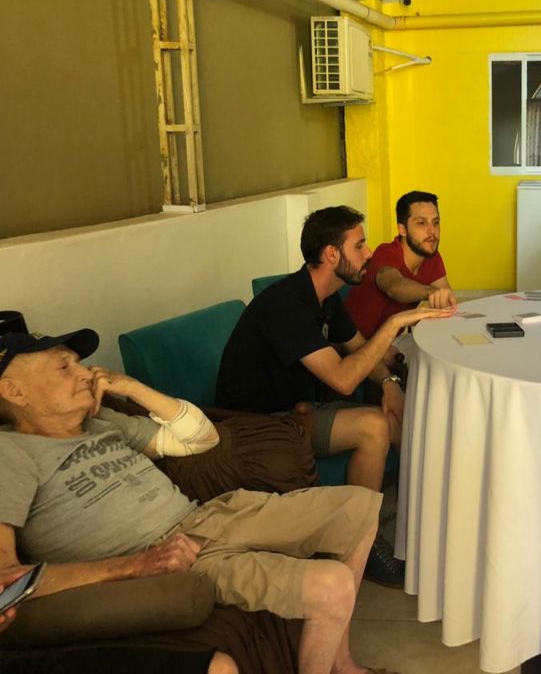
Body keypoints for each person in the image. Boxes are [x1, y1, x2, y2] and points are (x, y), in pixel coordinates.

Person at [0, 329, 392, 674]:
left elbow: (202, 437)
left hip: (210, 514)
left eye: (78, 363)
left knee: (359, 507)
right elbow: (7, 579)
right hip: (172, 550)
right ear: (14, 391)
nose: (86, 372)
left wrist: (132, 388)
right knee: (332, 586)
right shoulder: (10, 453)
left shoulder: (102, 422)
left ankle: (341, 664)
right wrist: (135, 565)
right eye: (64, 366)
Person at [215, 205, 453, 587]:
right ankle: (357, 544)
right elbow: (344, 379)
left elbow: (361, 350)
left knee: (403, 421)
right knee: (374, 426)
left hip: (300, 411)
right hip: (259, 426)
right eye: (359, 246)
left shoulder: (326, 298)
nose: (369, 253)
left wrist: (391, 385)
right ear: (331, 254)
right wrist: (395, 322)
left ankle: (434, 526)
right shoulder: (287, 305)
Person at [344, 191, 456, 339]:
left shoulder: (431, 256)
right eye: (421, 223)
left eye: (435, 222)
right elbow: (394, 287)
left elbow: (447, 302)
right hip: (354, 346)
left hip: (390, 342)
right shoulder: (386, 253)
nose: (432, 231)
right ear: (402, 229)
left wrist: (442, 300)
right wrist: (431, 292)